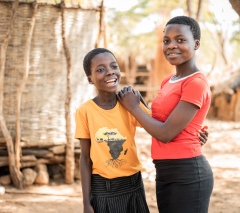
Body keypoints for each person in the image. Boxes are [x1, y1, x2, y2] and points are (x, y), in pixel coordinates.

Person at [75, 47, 209, 213]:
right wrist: (86, 202)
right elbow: (85, 160)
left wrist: (195, 132)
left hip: (133, 186)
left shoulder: (129, 105)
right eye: (100, 70)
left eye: (113, 66)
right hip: (102, 189)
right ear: (90, 79)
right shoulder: (85, 112)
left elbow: (162, 127)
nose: (109, 72)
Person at [117, 16, 213, 213]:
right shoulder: (168, 81)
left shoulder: (195, 83)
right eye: (166, 40)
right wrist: (138, 102)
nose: (171, 46)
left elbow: (166, 133)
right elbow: (156, 120)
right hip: (164, 170)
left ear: (196, 44)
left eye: (180, 40)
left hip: (187, 173)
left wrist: (134, 108)